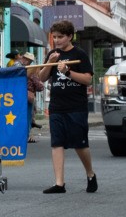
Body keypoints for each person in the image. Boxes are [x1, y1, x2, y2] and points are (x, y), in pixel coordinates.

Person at [38, 20, 97, 194]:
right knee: (57, 143)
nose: (57, 41)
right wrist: (50, 62)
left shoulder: (79, 54)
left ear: (70, 36)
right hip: (57, 105)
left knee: (79, 143)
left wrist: (67, 72)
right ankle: (59, 183)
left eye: (60, 37)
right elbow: (41, 78)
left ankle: (90, 173)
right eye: (54, 37)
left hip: (76, 105)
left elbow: (87, 79)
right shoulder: (53, 53)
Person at [17, 53, 45, 139]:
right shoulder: (31, 72)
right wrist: (41, 83)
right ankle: (26, 135)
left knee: (18, 116)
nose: (23, 59)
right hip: (27, 97)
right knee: (27, 116)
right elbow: (40, 87)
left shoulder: (15, 68)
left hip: (15, 96)